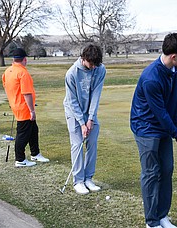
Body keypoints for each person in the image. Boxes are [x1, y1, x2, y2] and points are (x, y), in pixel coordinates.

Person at [130, 33, 177, 228]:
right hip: (146, 127)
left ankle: (162, 215)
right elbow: (160, 113)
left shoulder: (176, 69)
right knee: (151, 172)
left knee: (167, 169)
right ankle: (152, 222)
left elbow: (176, 99)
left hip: (164, 127)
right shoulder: (151, 78)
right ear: (174, 56)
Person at [63, 44, 106, 195]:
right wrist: (82, 123)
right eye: (91, 64)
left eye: (96, 64)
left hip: (90, 111)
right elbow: (72, 101)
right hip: (73, 111)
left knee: (92, 142)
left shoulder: (100, 69)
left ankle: (88, 178)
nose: (93, 67)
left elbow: (96, 94)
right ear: (83, 59)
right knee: (77, 144)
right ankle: (78, 181)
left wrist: (91, 119)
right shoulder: (71, 73)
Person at [2, 48, 49, 167]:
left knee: (33, 130)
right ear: (24, 59)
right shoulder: (23, 73)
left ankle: (35, 153)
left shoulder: (8, 71)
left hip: (16, 105)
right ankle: (20, 159)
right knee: (23, 134)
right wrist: (32, 110)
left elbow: (6, 87)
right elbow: (26, 93)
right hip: (24, 108)